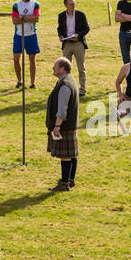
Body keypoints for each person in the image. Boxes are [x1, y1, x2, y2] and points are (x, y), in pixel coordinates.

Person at [46, 56, 80, 192]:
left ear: (62, 68)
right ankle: (70, 180)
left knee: (65, 155)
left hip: (64, 126)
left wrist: (57, 126)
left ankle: (64, 183)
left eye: (55, 66)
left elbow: (62, 109)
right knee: (72, 154)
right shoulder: (70, 80)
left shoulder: (65, 85)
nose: (53, 69)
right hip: (71, 125)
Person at [57, 0, 90, 96]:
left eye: (74, 4)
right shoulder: (61, 15)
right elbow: (59, 28)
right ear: (65, 5)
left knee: (81, 68)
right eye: (71, 5)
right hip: (67, 44)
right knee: (65, 68)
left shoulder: (81, 15)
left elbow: (87, 28)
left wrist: (79, 35)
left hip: (78, 43)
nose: (73, 6)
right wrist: (61, 36)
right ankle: (66, 88)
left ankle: (82, 89)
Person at [11, 0, 41, 89]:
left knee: (32, 59)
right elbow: (14, 21)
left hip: (31, 35)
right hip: (19, 35)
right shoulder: (16, 5)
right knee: (16, 58)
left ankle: (32, 83)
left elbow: (36, 18)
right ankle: (20, 81)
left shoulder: (35, 4)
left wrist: (22, 17)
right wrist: (29, 18)